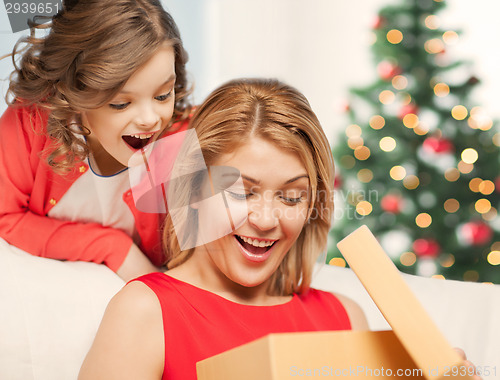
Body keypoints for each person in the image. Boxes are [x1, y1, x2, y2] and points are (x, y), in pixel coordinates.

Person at [78, 78, 369, 380]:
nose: (266, 220)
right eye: (242, 193)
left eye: (291, 197)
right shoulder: (144, 312)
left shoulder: (346, 319)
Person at [0, 0, 192, 281]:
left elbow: (209, 258)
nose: (151, 119)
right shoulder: (31, 119)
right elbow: (5, 217)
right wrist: (111, 247)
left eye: (163, 95)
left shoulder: (183, 137)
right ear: (72, 94)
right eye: (121, 103)